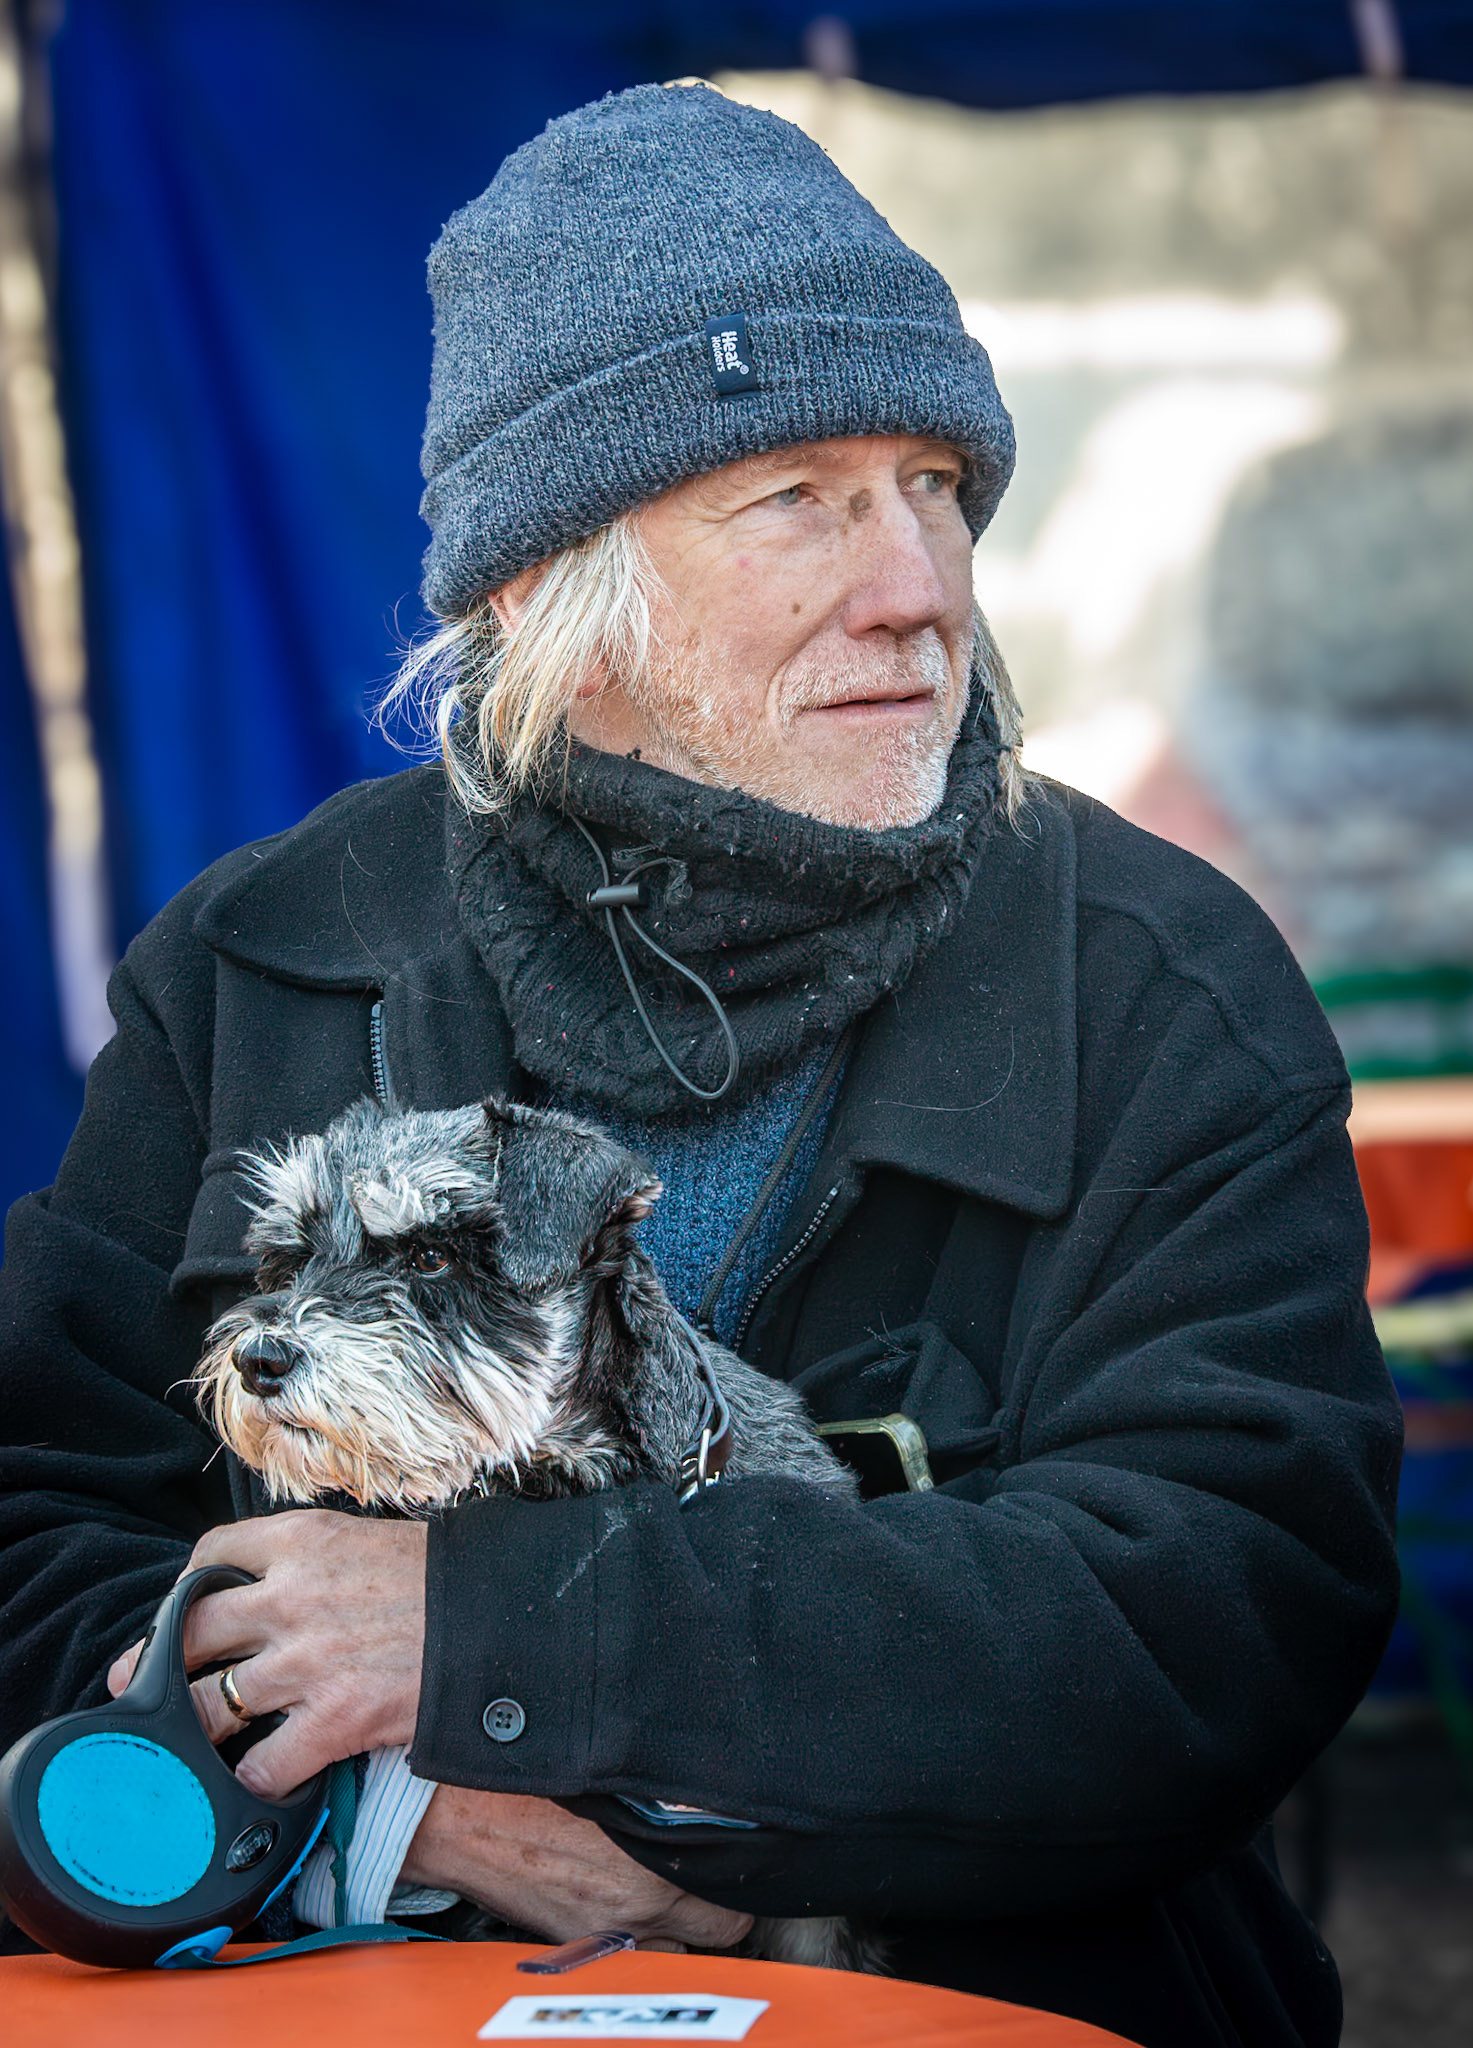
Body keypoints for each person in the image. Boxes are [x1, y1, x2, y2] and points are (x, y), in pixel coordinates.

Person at [0, 84, 1400, 2048]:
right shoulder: (259, 966)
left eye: (932, 483)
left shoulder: (1153, 978)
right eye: (799, 499)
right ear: (543, 595)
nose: (914, 585)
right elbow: (37, 1511)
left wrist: (516, 1665)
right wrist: (410, 1810)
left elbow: (1219, 1607)